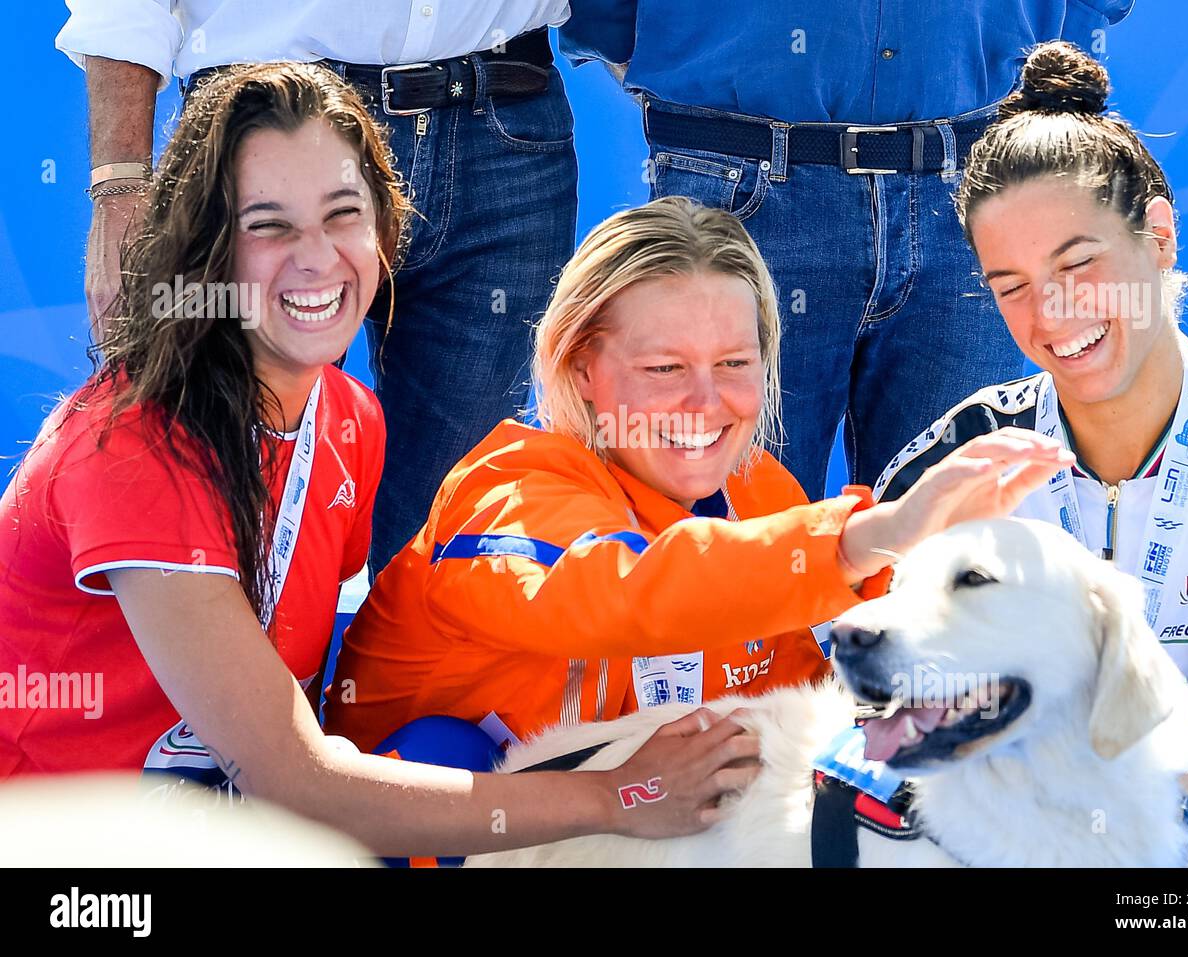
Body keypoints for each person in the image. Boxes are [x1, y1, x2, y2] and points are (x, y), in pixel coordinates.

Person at [0, 63, 763, 859]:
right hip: (66, 859)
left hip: (222, 839)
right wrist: (623, 793)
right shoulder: (136, 448)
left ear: (384, 228)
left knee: (442, 751)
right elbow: (299, 781)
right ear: (210, 251)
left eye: (343, 215)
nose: (317, 257)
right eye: (270, 226)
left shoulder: (349, 421)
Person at [324, 195, 1073, 752]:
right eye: (664, 367)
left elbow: (831, 701)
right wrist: (869, 536)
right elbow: (631, 589)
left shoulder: (759, 496)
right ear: (581, 367)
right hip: (460, 847)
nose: (706, 403)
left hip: (653, 843)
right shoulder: (507, 492)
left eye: (734, 365)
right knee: (442, 752)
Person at [874, 42, 1188, 868]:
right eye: (1012, 285)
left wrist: (1126, 774)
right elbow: (873, 711)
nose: (1052, 312)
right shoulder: (960, 464)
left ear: (1160, 236)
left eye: (1079, 262)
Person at [56, 0, 580, 573]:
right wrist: (119, 186)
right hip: (267, 125)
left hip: (507, 120)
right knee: (211, 506)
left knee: (446, 546)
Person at [559, 0, 1133, 502]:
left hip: (971, 185)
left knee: (951, 550)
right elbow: (606, 17)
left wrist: (1054, 53)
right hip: (741, 179)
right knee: (728, 537)